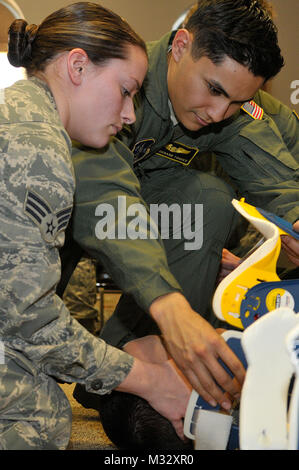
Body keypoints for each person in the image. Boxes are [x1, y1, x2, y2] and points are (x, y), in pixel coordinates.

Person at [62, 0, 299, 415]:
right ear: (181, 46)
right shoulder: (116, 77)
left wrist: (295, 222)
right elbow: (106, 195)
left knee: (208, 199)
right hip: (60, 207)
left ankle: (136, 360)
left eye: (236, 102)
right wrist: (168, 304)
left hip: (136, 212)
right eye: (214, 90)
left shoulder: (229, 110)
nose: (218, 113)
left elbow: (274, 177)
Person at [0, 2, 192, 450]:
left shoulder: (19, 115)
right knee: (39, 416)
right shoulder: (38, 151)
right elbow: (29, 323)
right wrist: (148, 380)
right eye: (126, 91)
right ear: (78, 66)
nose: (129, 115)